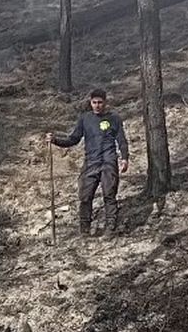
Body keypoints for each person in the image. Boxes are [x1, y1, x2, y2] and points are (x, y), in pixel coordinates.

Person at [46, 88, 130, 237]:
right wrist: (55, 140)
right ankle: (85, 229)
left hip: (109, 162)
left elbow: (121, 140)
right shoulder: (85, 119)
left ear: (105, 103)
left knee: (109, 195)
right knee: (85, 196)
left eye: (100, 102)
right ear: (90, 102)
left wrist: (124, 158)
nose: (97, 105)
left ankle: (111, 227)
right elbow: (73, 139)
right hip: (91, 162)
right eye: (94, 102)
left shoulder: (114, 118)